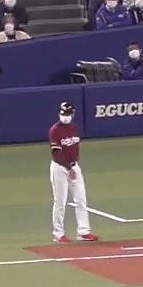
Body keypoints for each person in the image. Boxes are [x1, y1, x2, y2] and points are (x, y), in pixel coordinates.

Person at [49, 102, 98, 243]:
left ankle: (83, 231)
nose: (65, 117)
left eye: (67, 114)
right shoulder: (55, 130)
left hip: (74, 166)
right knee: (60, 201)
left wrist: (73, 166)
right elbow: (56, 153)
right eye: (63, 114)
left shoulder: (75, 129)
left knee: (81, 199)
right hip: (59, 168)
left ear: (72, 114)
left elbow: (75, 148)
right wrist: (68, 168)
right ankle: (58, 233)